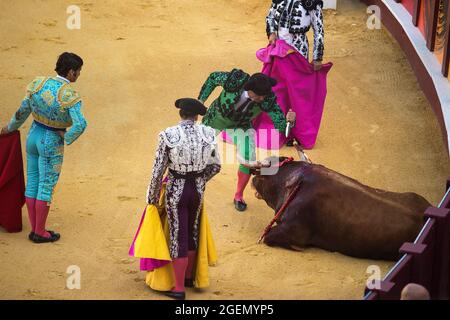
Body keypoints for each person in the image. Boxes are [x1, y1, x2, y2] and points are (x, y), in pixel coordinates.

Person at [0, 52, 87, 243]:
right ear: (71, 72)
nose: (79, 74)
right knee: (45, 185)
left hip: (33, 136)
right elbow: (80, 124)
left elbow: (22, 111)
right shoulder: (69, 95)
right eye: (78, 71)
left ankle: (35, 229)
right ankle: (40, 232)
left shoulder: (38, 84)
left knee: (33, 181)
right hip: (51, 142)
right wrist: (66, 135)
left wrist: (8, 129)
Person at [146, 98, 221, 300]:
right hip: (197, 189)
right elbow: (215, 166)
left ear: (181, 113)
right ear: (196, 116)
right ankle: (188, 278)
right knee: (192, 230)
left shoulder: (167, 135)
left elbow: (157, 170)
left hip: (176, 188)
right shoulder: (208, 133)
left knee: (178, 233)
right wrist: (199, 180)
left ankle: (178, 288)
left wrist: (151, 196)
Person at [198, 69, 295, 212]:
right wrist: (200, 100)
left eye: (264, 96)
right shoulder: (235, 80)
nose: (262, 99)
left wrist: (289, 122)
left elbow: (280, 125)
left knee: (248, 157)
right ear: (249, 89)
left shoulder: (267, 99)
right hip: (216, 117)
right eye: (259, 95)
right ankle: (191, 184)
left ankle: (238, 195)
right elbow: (213, 77)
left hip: (241, 125)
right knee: (198, 148)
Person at [266, 0, 325, 146]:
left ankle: (295, 131)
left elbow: (319, 30)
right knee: (278, 89)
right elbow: (270, 16)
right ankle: (279, 129)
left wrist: (317, 56)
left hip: (298, 48)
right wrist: (272, 32)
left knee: (296, 92)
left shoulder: (311, 2)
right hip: (279, 49)